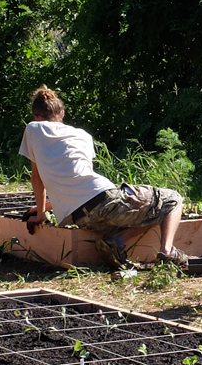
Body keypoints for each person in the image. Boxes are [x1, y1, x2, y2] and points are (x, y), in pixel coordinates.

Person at [20, 86, 189, 268]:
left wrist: (41, 212)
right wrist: (42, 210)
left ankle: (117, 242)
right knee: (173, 199)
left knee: (152, 213)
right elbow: (82, 182)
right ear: (61, 113)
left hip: (83, 217)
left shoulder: (32, 129)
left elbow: (40, 178)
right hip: (104, 200)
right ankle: (167, 252)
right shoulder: (82, 135)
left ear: (35, 114)